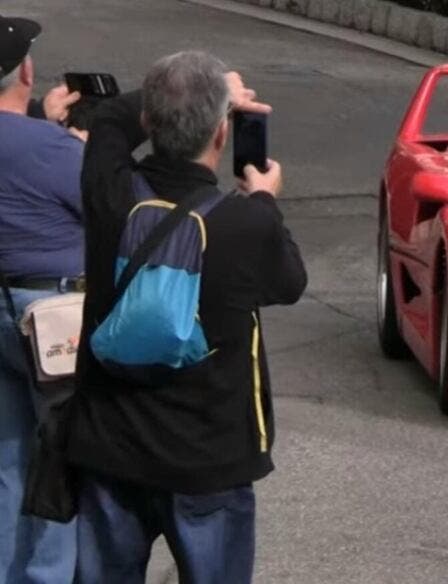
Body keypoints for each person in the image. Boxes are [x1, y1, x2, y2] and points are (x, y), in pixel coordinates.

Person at [67, 51, 307, 581]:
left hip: (112, 446)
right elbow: (290, 284)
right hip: (208, 456)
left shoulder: (110, 193)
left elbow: (108, 118)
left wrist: (191, 91)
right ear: (222, 134)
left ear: (149, 122)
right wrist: (265, 201)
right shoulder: (246, 224)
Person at [0, 13, 86, 583]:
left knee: (8, 456)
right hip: (51, 316)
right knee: (60, 456)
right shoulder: (54, 149)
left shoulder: (37, 134)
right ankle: (48, 575)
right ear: (26, 70)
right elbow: (109, 210)